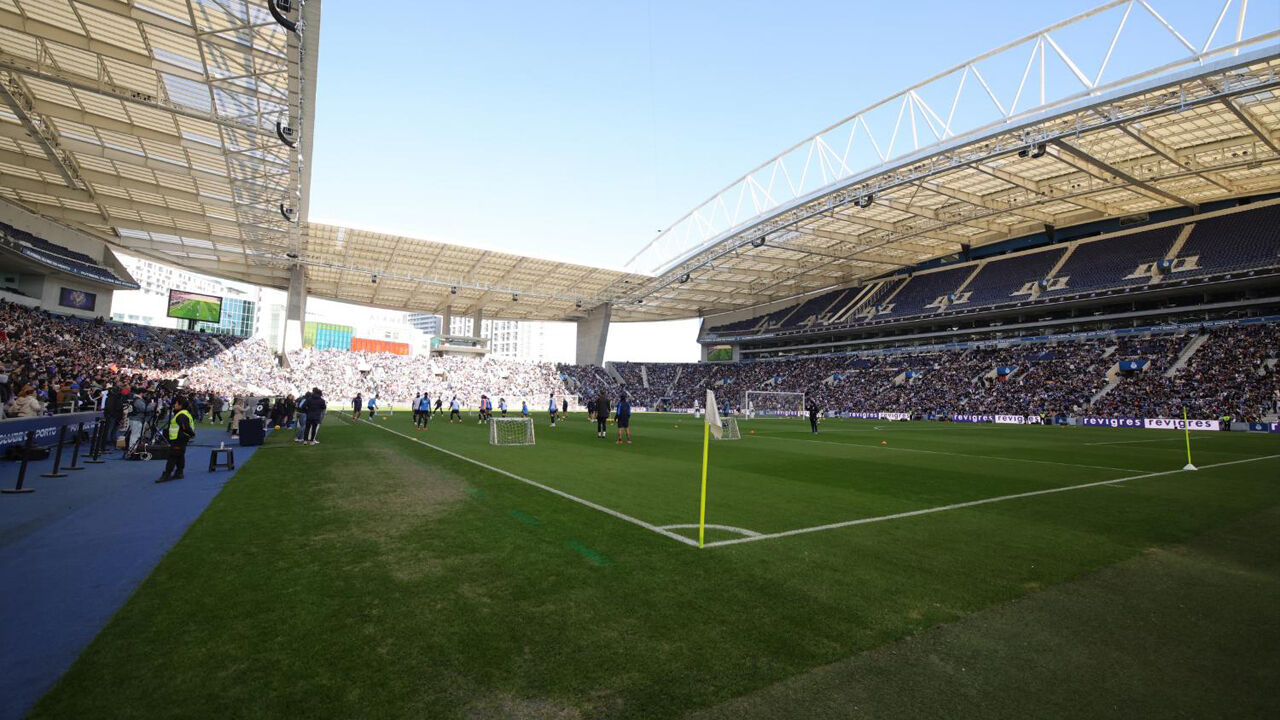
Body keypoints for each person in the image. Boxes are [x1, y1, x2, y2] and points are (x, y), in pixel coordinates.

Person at [157, 395, 195, 483]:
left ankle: (167, 474)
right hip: (181, 438)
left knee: (172, 456)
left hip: (179, 438)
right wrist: (191, 435)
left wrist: (191, 434)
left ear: (180, 405)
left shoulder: (181, 415)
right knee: (180, 455)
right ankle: (179, 472)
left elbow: (185, 427)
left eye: (176, 403)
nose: (174, 405)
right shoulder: (184, 413)